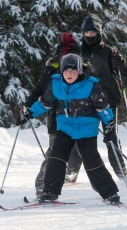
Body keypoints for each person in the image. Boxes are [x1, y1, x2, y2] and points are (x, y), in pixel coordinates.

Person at [18, 53, 120, 203]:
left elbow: (102, 108)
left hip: (87, 131)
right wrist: (30, 113)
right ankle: (49, 193)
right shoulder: (56, 84)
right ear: (61, 71)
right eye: (66, 70)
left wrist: (109, 125)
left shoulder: (90, 85)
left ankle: (110, 193)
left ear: (79, 71)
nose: (69, 74)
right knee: (55, 159)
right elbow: (45, 103)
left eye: (73, 70)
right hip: (65, 128)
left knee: (92, 162)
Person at [16, 32, 90, 198]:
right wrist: (27, 107)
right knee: (54, 152)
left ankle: (69, 174)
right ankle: (42, 186)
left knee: (80, 150)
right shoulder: (53, 69)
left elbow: (95, 90)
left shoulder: (84, 68)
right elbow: (39, 89)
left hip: (81, 118)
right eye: (64, 54)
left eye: (70, 54)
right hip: (57, 118)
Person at [80, 14, 127, 183]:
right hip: (84, 100)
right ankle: (71, 172)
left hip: (108, 99)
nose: (89, 36)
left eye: (92, 32)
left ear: (99, 33)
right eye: (86, 32)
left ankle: (122, 172)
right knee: (80, 136)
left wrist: (122, 63)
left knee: (111, 137)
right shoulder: (77, 51)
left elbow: (126, 72)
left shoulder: (109, 51)